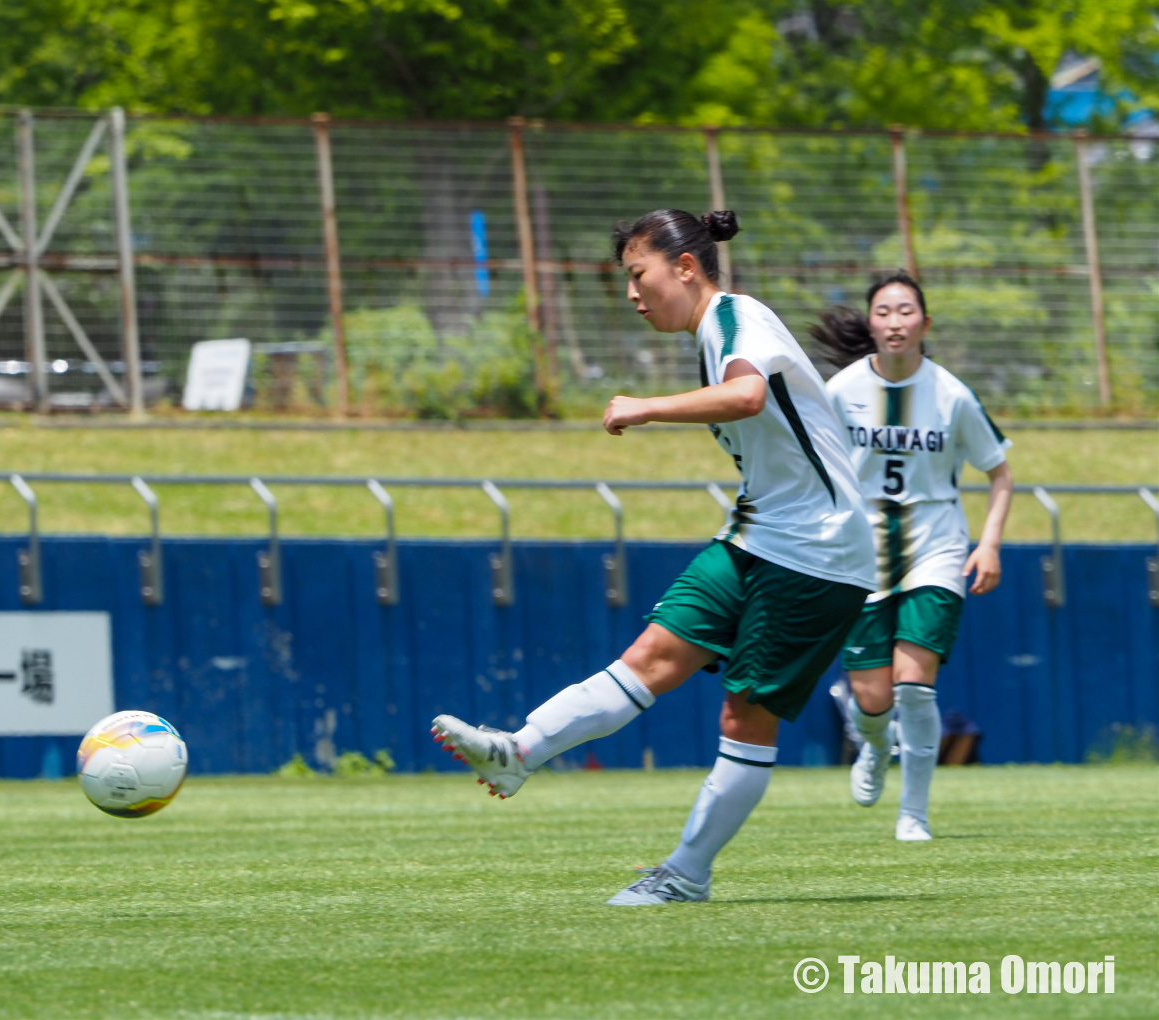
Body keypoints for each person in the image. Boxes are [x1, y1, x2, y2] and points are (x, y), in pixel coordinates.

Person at [431, 208, 877, 905]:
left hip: (820, 550)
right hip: (759, 534)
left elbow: (747, 395)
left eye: (639, 275)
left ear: (686, 267)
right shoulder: (713, 334)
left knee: (744, 716)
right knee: (649, 657)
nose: (633, 294)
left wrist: (646, 407)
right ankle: (518, 752)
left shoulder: (735, 318)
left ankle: (686, 875)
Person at [813, 271, 1013, 842]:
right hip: (861, 552)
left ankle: (914, 814)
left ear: (925, 323)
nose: (895, 321)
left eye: (906, 311)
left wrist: (989, 543)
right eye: (883, 311)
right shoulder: (841, 390)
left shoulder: (952, 395)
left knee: (913, 685)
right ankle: (875, 746)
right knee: (872, 698)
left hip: (936, 546)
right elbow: (814, 464)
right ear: (871, 323)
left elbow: (999, 473)